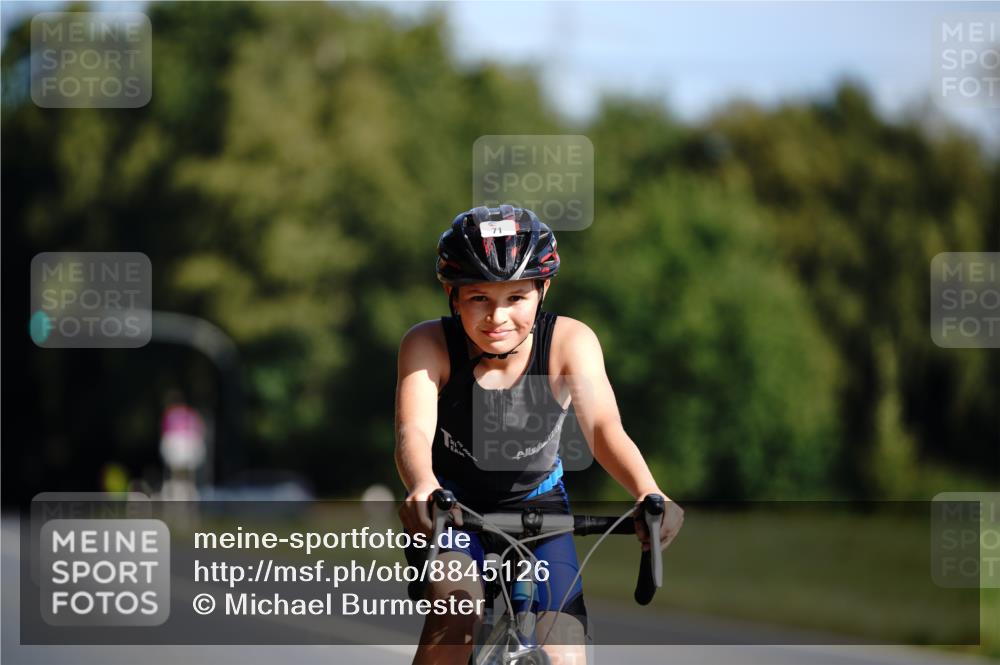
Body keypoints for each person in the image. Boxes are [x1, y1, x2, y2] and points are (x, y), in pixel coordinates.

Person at [395, 205, 684, 665]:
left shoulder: (570, 342)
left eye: (516, 298)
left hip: (539, 506)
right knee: (458, 615)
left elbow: (604, 428)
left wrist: (647, 490)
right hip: (450, 504)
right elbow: (413, 429)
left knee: (566, 650)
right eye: (479, 299)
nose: (498, 316)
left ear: (542, 290)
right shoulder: (427, 344)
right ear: (452, 296)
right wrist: (423, 484)